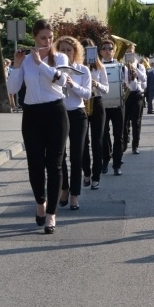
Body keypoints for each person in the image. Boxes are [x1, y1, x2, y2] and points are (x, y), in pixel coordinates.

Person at [7, 20, 69, 233]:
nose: (47, 42)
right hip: (32, 114)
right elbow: (13, 88)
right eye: (43, 38)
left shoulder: (60, 57)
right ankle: (40, 203)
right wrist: (16, 65)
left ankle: (51, 213)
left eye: (51, 38)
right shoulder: (25, 61)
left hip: (55, 113)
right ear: (34, 38)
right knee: (35, 163)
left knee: (55, 164)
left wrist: (41, 63)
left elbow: (60, 81)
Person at [55, 36, 91, 210]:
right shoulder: (53, 69)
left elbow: (87, 94)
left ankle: (75, 195)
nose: (66, 53)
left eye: (69, 50)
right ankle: (64, 188)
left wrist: (71, 84)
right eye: (62, 49)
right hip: (59, 115)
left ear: (76, 52)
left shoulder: (82, 70)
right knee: (59, 156)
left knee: (77, 156)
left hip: (78, 114)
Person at [80, 38, 108, 191]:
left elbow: (107, 89)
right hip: (82, 103)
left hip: (96, 102)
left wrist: (96, 84)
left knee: (97, 141)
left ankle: (96, 176)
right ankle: (86, 172)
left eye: (88, 50)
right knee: (83, 142)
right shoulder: (78, 67)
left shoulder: (100, 67)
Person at [99, 38, 125, 176]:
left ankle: (117, 164)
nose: (108, 51)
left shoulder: (121, 66)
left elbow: (129, 85)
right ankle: (105, 160)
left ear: (114, 51)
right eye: (105, 48)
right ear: (101, 52)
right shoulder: (96, 66)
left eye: (110, 48)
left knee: (118, 136)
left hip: (117, 105)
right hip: (102, 106)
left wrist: (132, 75)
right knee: (103, 135)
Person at [123, 46, 147, 155]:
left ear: (134, 53)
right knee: (124, 121)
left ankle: (135, 145)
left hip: (137, 95)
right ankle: (125, 139)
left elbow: (144, 80)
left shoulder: (140, 66)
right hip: (126, 95)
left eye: (131, 53)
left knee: (136, 122)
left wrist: (135, 69)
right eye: (127, 53)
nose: (129, 54)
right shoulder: (122, 67)